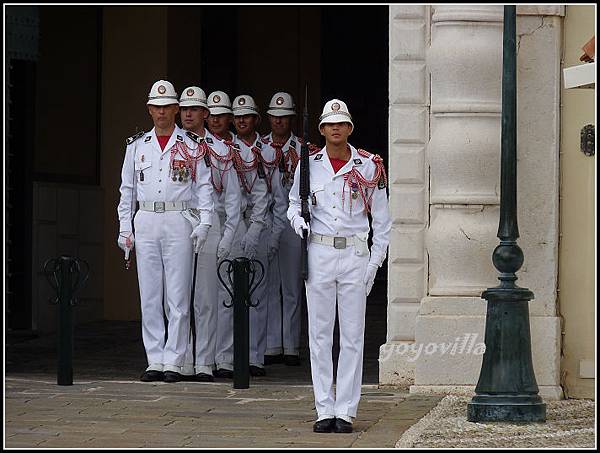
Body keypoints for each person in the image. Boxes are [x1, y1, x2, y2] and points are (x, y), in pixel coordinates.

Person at [287, 99, 391, 433]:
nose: (336, 129)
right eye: (329, 124)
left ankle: (345, 410)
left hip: (354, 255)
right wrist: (298, 222)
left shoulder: (369, 166)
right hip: (318, 252)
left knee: (352, 336)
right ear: (321, 129)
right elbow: (292, 204)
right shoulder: (309, 165)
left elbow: (384, 224)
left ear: (349, 128)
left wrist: (374, 264)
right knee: (319, 335)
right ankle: (323, 408)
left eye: (341, 123)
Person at [117, 80, 214, 383]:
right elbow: (127, 191)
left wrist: (205, 221)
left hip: (178, 219)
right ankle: (154, 359)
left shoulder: (191, 145)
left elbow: (204, 187)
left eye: (167, 107)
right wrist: (124, 228)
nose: (161, 113)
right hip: (146, 218)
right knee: (150, 294)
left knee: (178, 294)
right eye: (156, 108)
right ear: (149, 110)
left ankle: (174, 360)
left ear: (176, 109)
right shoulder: (137, 146)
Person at [177, 86, 242, 382]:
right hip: (178, 219)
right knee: (178, 295)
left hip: (210, 222)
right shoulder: (173, 145)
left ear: (206, 114)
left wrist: (228, 236)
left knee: (206, 297)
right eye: (184, 108)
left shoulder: (221, 151)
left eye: (194, 109)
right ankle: (181, 359)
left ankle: (204, 360)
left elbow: (233, 198)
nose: (188, 114)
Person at [232, 94, 283, 376]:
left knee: (259, 296)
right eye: (237, 116)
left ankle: (255, 356)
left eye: (246, 116)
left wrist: (274, 235)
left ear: (255, 120)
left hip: (261, 226)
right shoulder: (226, 148)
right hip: (235, 224)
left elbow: (277, 198)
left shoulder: (267, 151)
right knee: (230, 294)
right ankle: (232, 355)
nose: (241, 121)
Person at [261, 92, 305, 367]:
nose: (279, 122)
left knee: (291, 286)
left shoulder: (302, 149)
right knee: (268, 285)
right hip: (265, 219)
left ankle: (291, 345)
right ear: (269, 119)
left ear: (291, 119)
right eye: (275, 117)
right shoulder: (260, 147)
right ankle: (271, 344)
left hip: (291, 220)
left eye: (284, 117)